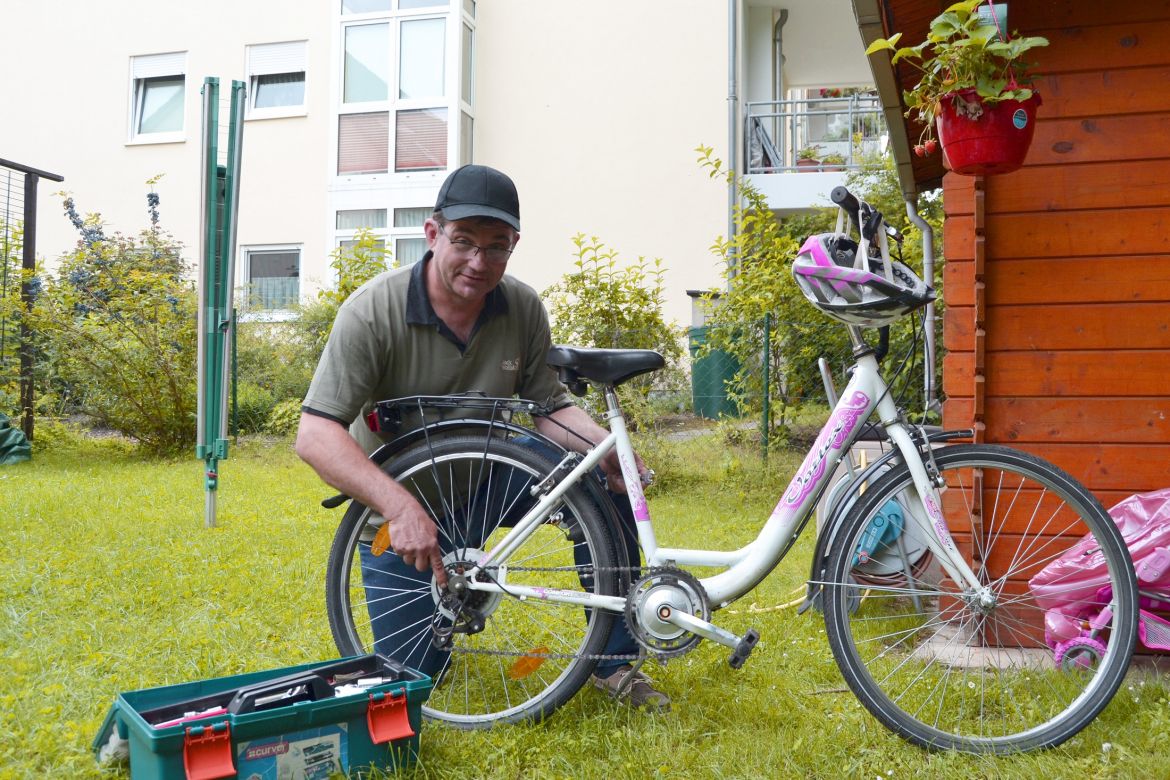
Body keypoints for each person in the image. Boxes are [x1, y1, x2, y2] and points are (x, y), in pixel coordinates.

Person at [295, 164, 669, 711]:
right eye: (464, 241)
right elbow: (314, 435)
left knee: (598, 486)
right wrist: (398, 506)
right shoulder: (372, 313)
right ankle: (426, 611)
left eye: (497, 247)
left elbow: (550, 408)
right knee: (413, 679)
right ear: (432, 234)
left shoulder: (521, 307)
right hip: (404, 507)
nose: (478, 262)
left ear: (514, 245)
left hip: (489, 477)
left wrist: (606, 452)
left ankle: (613, 664)